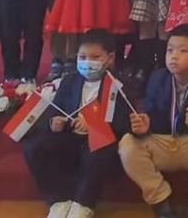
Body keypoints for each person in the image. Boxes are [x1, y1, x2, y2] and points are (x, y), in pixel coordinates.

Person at [118, 24, 188, 218]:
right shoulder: (157, 77)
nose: (174, 56)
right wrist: (146, 124)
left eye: (182, 51)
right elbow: (151, 113)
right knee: (127, 144)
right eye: (170, 50)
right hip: (164, 143)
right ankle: (161, 201)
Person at [21, 30, 131, 218]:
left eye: (95, 57)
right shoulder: (70, 80)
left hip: (101, 140)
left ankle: (84, 203)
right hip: (70, 134)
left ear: (110, 58)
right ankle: (58, 199)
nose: (87, 62)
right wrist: (54, 122)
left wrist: (95, 126)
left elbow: (123, 124)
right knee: (34, 147)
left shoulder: (119, 85)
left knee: (98, 149)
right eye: (82, 57)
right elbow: (55, 111)